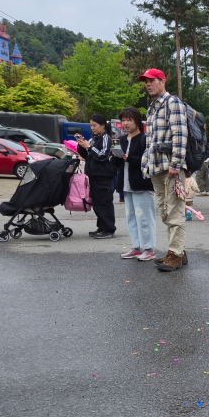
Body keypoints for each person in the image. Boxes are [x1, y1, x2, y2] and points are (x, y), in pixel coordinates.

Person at [140, 68, 190, 272]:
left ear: (163, 81)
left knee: (175, 211)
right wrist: (146, 165)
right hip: (156, 167)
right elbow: (150, 141)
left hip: (171, 167)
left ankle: (175, 254)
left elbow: (180, 135)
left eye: (152, 80)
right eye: (146, 82)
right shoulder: (152, 108)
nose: (148, 84)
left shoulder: (173, 103)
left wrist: (176, 164)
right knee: (164, 212)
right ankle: (178, 251)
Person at [113, 107, 155, 260]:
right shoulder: (122, 140)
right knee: (131, 217)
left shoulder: (145, 139)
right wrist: (116, 156)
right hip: (126, 185)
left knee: (144, 218)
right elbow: (116, 165)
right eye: (123, 120)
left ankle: (148, 248)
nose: (125, 123)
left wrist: (127, 157)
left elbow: (149, 163)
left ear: (137, 120)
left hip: (142, 184)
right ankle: (137, 247)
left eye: (128, 120)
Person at [76, 114, 116, 239]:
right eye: (91, 125)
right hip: (93, 174)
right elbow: (87, 154)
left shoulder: (106, 138)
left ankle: (109, 229)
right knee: (97, 202)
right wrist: (81, 145)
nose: (92, 128)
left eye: (95, 125)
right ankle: (101, 227)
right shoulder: (94, 138)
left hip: (103, 175)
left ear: (103, 125)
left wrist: (89, 147)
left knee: (105, 202)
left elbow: (102, 155)